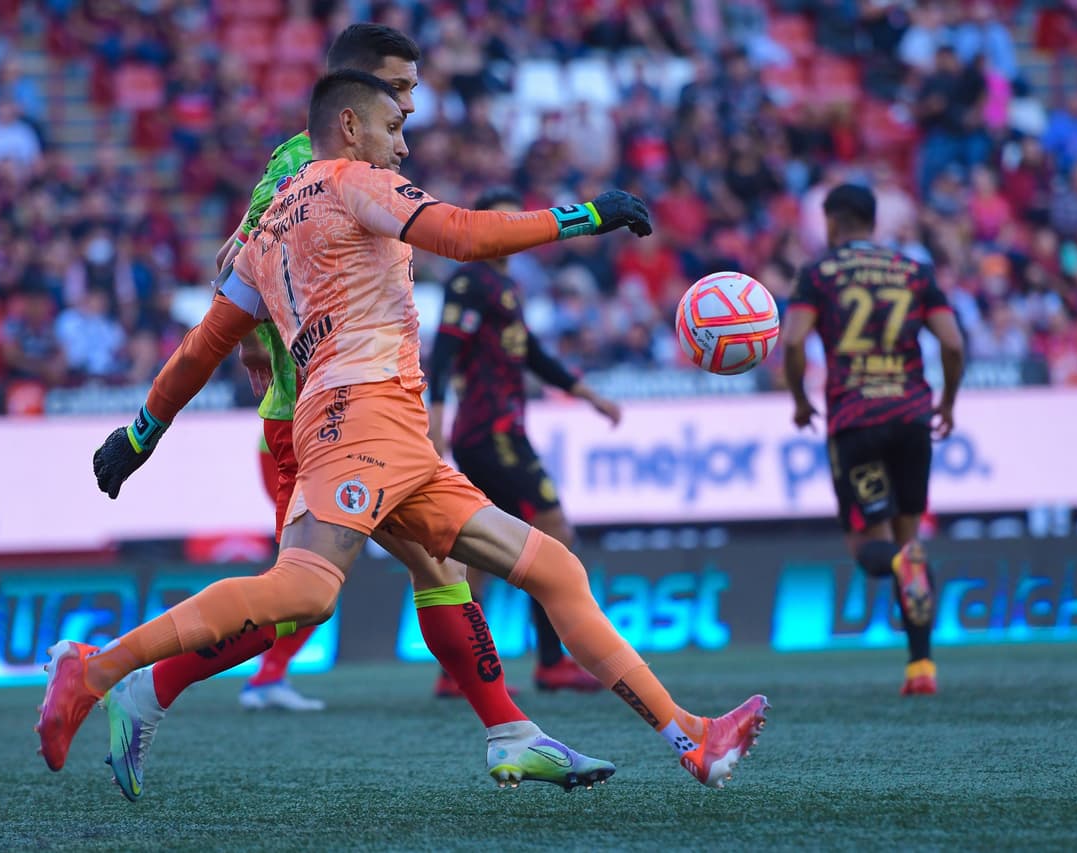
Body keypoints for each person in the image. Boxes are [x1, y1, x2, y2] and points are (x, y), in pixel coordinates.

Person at [41, 70, 767, 792]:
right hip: (363, 422)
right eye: (395, 125)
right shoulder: (353, 180)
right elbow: (464, 233)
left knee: (553, 569)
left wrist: (140, 434)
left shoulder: (263, 231)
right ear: (351, 125)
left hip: (387, 437)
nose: (405, 146)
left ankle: (689, 737)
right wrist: (586, 216)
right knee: (306, 589)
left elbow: (204, 344)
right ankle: (98, 669)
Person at [81, 25, 615, 800]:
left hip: (364, 410)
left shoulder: (360, 164)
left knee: (435, 567)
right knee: (300, 595)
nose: (411, 102)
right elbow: (235, 264)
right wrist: (246, 352)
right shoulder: (304, 164)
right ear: (352, 97)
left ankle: (510, 733)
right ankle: (137, 685)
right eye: (398, 88)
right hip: (315, 411)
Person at [427, 186, 621, 696]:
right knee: (553, 531)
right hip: (490, 433)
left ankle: (457, 669)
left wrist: (588, 395)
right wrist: (436, 423)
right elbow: (444, 356)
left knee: (482, 550)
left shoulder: (503, 286)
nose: (510, 234)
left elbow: (533, 354)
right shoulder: (471, 280)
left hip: (499, 431)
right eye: (501, 222)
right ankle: (552, 662)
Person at [781, 184, 965, 696]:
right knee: (912, 541)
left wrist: (799, 399)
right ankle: (921, 667)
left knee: (870, 546)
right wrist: (947, 402)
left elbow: (793, 340)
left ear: (834, 222)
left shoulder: (818, 274)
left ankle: (899, 564)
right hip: (911, 415)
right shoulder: (914, 271)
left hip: (856, 418)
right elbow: (951, 342)